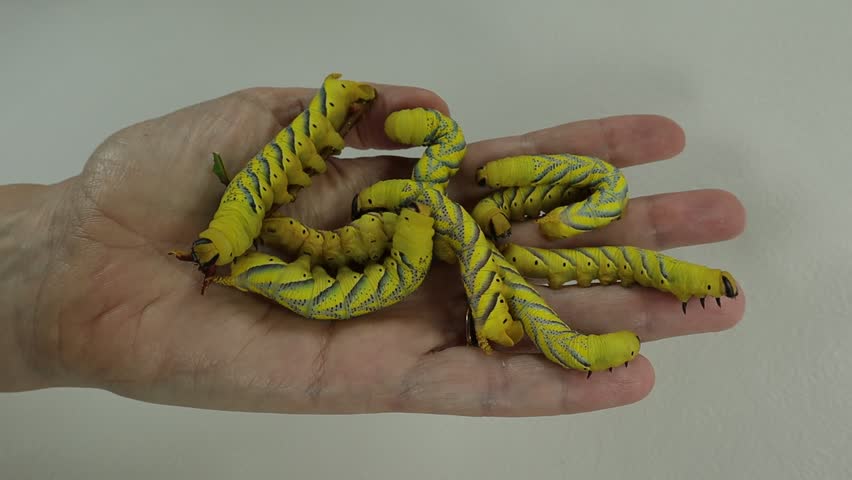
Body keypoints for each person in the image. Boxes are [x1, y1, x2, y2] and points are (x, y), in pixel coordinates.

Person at [0, 82, 745, 416]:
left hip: (363, 245)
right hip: (335, 248)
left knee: (566, 268)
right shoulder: (392, 229)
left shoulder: (435, 221)